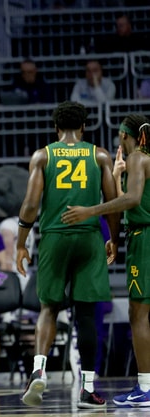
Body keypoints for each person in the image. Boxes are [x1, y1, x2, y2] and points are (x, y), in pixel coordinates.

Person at [15, 100, 119, 409]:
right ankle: (88, 389)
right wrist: (113, 237)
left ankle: (39, 370)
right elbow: (112, 201)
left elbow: (31, 205)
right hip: (88, 237)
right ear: (84, 126)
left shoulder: (43, 156)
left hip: (54, 238)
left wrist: (21, 242)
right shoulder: (99, 155)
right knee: (86, 313)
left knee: (48, 308)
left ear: (57, 128)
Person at [60, 115, 150, 407]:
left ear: (126, 135)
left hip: (144, 240)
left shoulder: (138, 157)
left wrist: (91, 210)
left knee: (139, 314)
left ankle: (146, 387)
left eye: (120, 135)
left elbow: (133, 201)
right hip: (143, 233)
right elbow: (135, 199)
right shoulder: (140, 161)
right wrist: (117, 175)